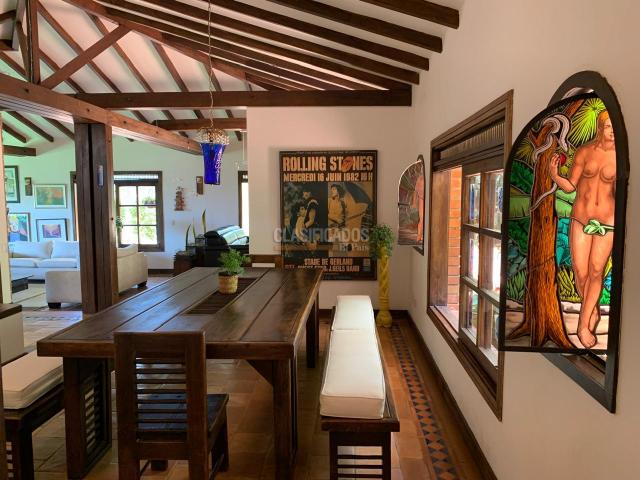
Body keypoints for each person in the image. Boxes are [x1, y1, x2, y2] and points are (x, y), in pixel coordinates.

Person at [549, 110, 616, 348]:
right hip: (580, 219)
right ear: (600, 127)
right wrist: (554, 175)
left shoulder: (620, 157)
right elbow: (570, 186)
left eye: (614, 127)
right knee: (581, 273)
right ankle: (592, 309)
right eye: (608, 126)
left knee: (597, 271)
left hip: (607, 221)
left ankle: (583, 325)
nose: (612, 131)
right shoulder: (584, 152)